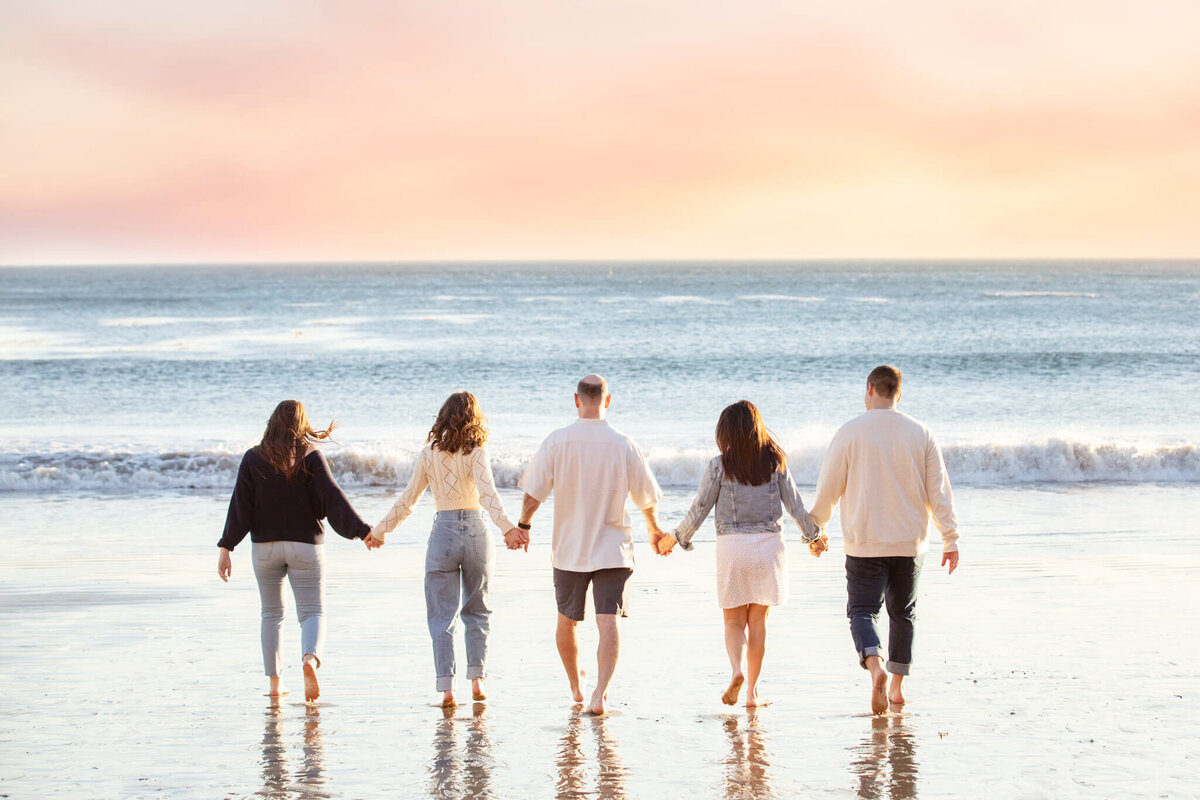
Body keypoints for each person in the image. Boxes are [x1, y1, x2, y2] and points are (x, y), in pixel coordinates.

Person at [808, 365, 960, 715]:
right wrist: (950, 538)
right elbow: (939, 491)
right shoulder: (921, 432)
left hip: (865, 542)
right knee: (903, 614)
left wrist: (816, 530)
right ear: (898, 394)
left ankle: (874, 666)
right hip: (910, 543)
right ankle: (895, 688)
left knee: (862, 611)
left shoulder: (850, 432)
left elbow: (829, 486)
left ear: (869, 389)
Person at [512, 374, 666, 715]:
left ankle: (576, 687)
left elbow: (534, 492)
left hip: (569, 548)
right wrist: (654, 530)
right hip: (614, 549)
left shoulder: (557, 441)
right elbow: (646, 498)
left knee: (567, 621)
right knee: (608, 622)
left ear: (577, 400)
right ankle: (600, 694)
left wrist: (524, 524)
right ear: (607, 401)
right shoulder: (624, 443)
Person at [657, 400, 824, 707]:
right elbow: (796, 506)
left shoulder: (718, 465)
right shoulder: (775, 462)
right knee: (758, 621)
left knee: (733, 623)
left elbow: (700, 509)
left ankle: (736, 670)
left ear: (725, 433)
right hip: (769, 547)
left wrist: (676, 538)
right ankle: (752, 694)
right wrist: (814, 536)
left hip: (733, 548)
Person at [364, 391, 522, 709]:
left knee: (441, 617)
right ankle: (477, 679)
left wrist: (379, 531)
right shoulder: (477, 449)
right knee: (478, 610)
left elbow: (408, 500)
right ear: (473, 418)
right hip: (477, 532)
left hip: (443, 536)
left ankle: (447, 689)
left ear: (443, 416)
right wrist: (508, 528)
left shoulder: (429, 453)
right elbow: (488, 494)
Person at [217, 400, 372, 702]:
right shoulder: (311, 456)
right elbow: (333, 497)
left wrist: (226, 546)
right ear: (301, 424)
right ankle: (309, 660)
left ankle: (275, 685)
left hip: (264, 548)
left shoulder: (252, 458)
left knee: (271, 614)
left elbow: (240, 507)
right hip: (305, 547)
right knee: (312, 612)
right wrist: (362, 530)